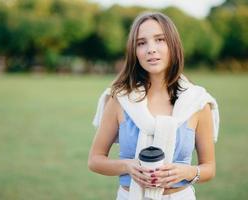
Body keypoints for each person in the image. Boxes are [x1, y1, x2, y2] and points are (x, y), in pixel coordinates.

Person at [88, 12, 219, 200]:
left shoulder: (197, 101)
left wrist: (187, 172)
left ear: (173, 44)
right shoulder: (120, 99)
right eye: (141, 43)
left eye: (160, 40)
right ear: (135, 51)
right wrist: (127, 166)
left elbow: (209, 168)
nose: (151, 49)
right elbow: (95, 160)